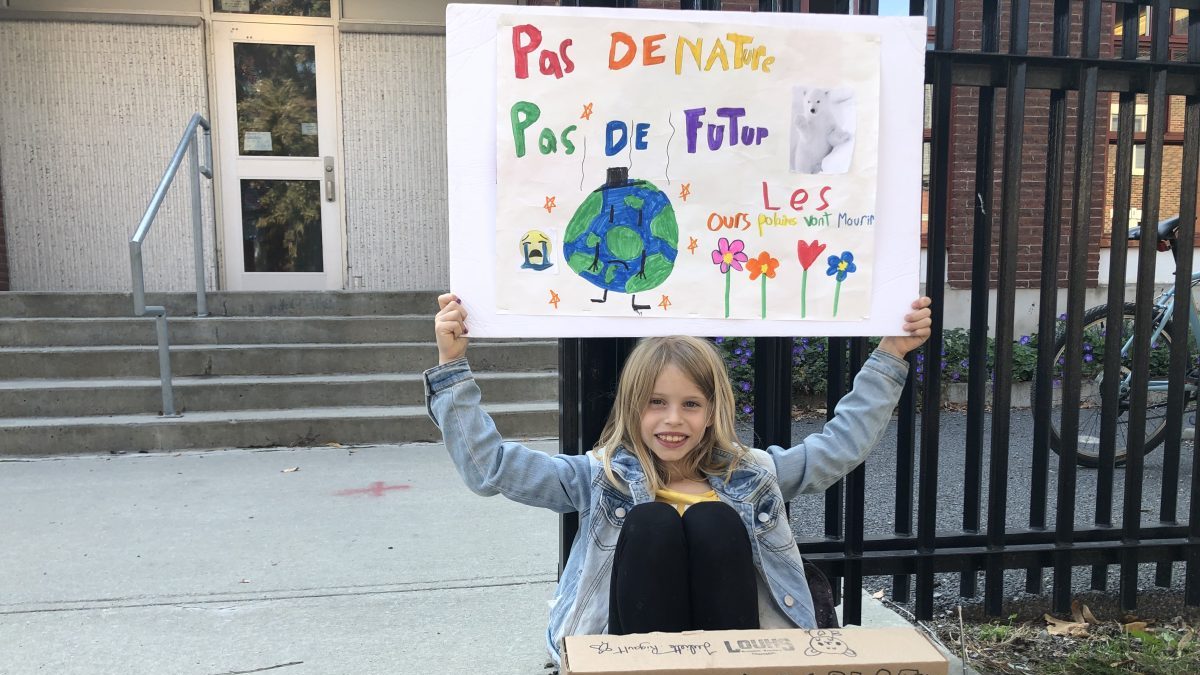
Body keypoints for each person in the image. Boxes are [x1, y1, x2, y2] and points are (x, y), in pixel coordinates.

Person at [426, 293, 933, 666]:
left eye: (690, 404)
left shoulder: (752, 475)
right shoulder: (601, 478)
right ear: (633, 406)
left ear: (712, 412)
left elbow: (839, 446)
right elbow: (491, 467)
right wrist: (453, 367)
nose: (673, 420)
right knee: (652, 523)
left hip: (740, 650)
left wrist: (890, 354)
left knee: (714, 521)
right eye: (656, 403)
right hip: (635, 653)